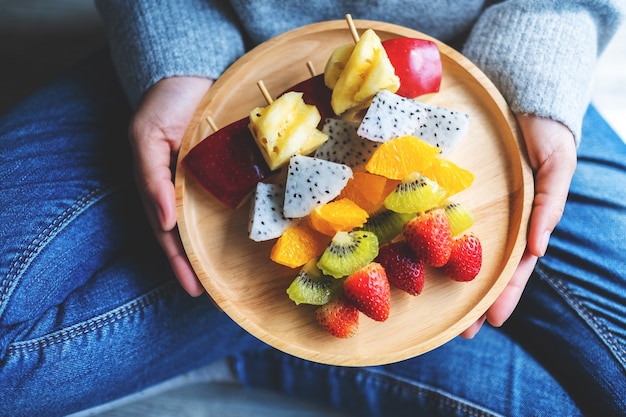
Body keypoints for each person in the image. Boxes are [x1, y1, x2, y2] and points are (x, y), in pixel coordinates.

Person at [0, 1, 624, 416]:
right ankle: (254, 322)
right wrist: (170, 56)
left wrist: (540, 81)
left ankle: (246, 323)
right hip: (212, 63)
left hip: (490, 73)